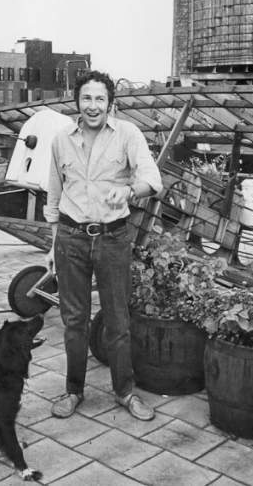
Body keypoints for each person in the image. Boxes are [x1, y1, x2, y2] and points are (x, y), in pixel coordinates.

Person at [43, 70, 163, 420]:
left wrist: (128, 190)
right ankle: (73, 391)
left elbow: (152, 179)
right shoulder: (61, 139)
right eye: (86, 98)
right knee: (74, 320)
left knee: (118, 320)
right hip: (70, 238)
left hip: (112, 238)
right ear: (76, 101)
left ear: (110, 103)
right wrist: (53, 246)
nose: (93, 106)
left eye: (100, 99)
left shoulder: (128, 134)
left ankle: (125, 393)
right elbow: (53, 195)